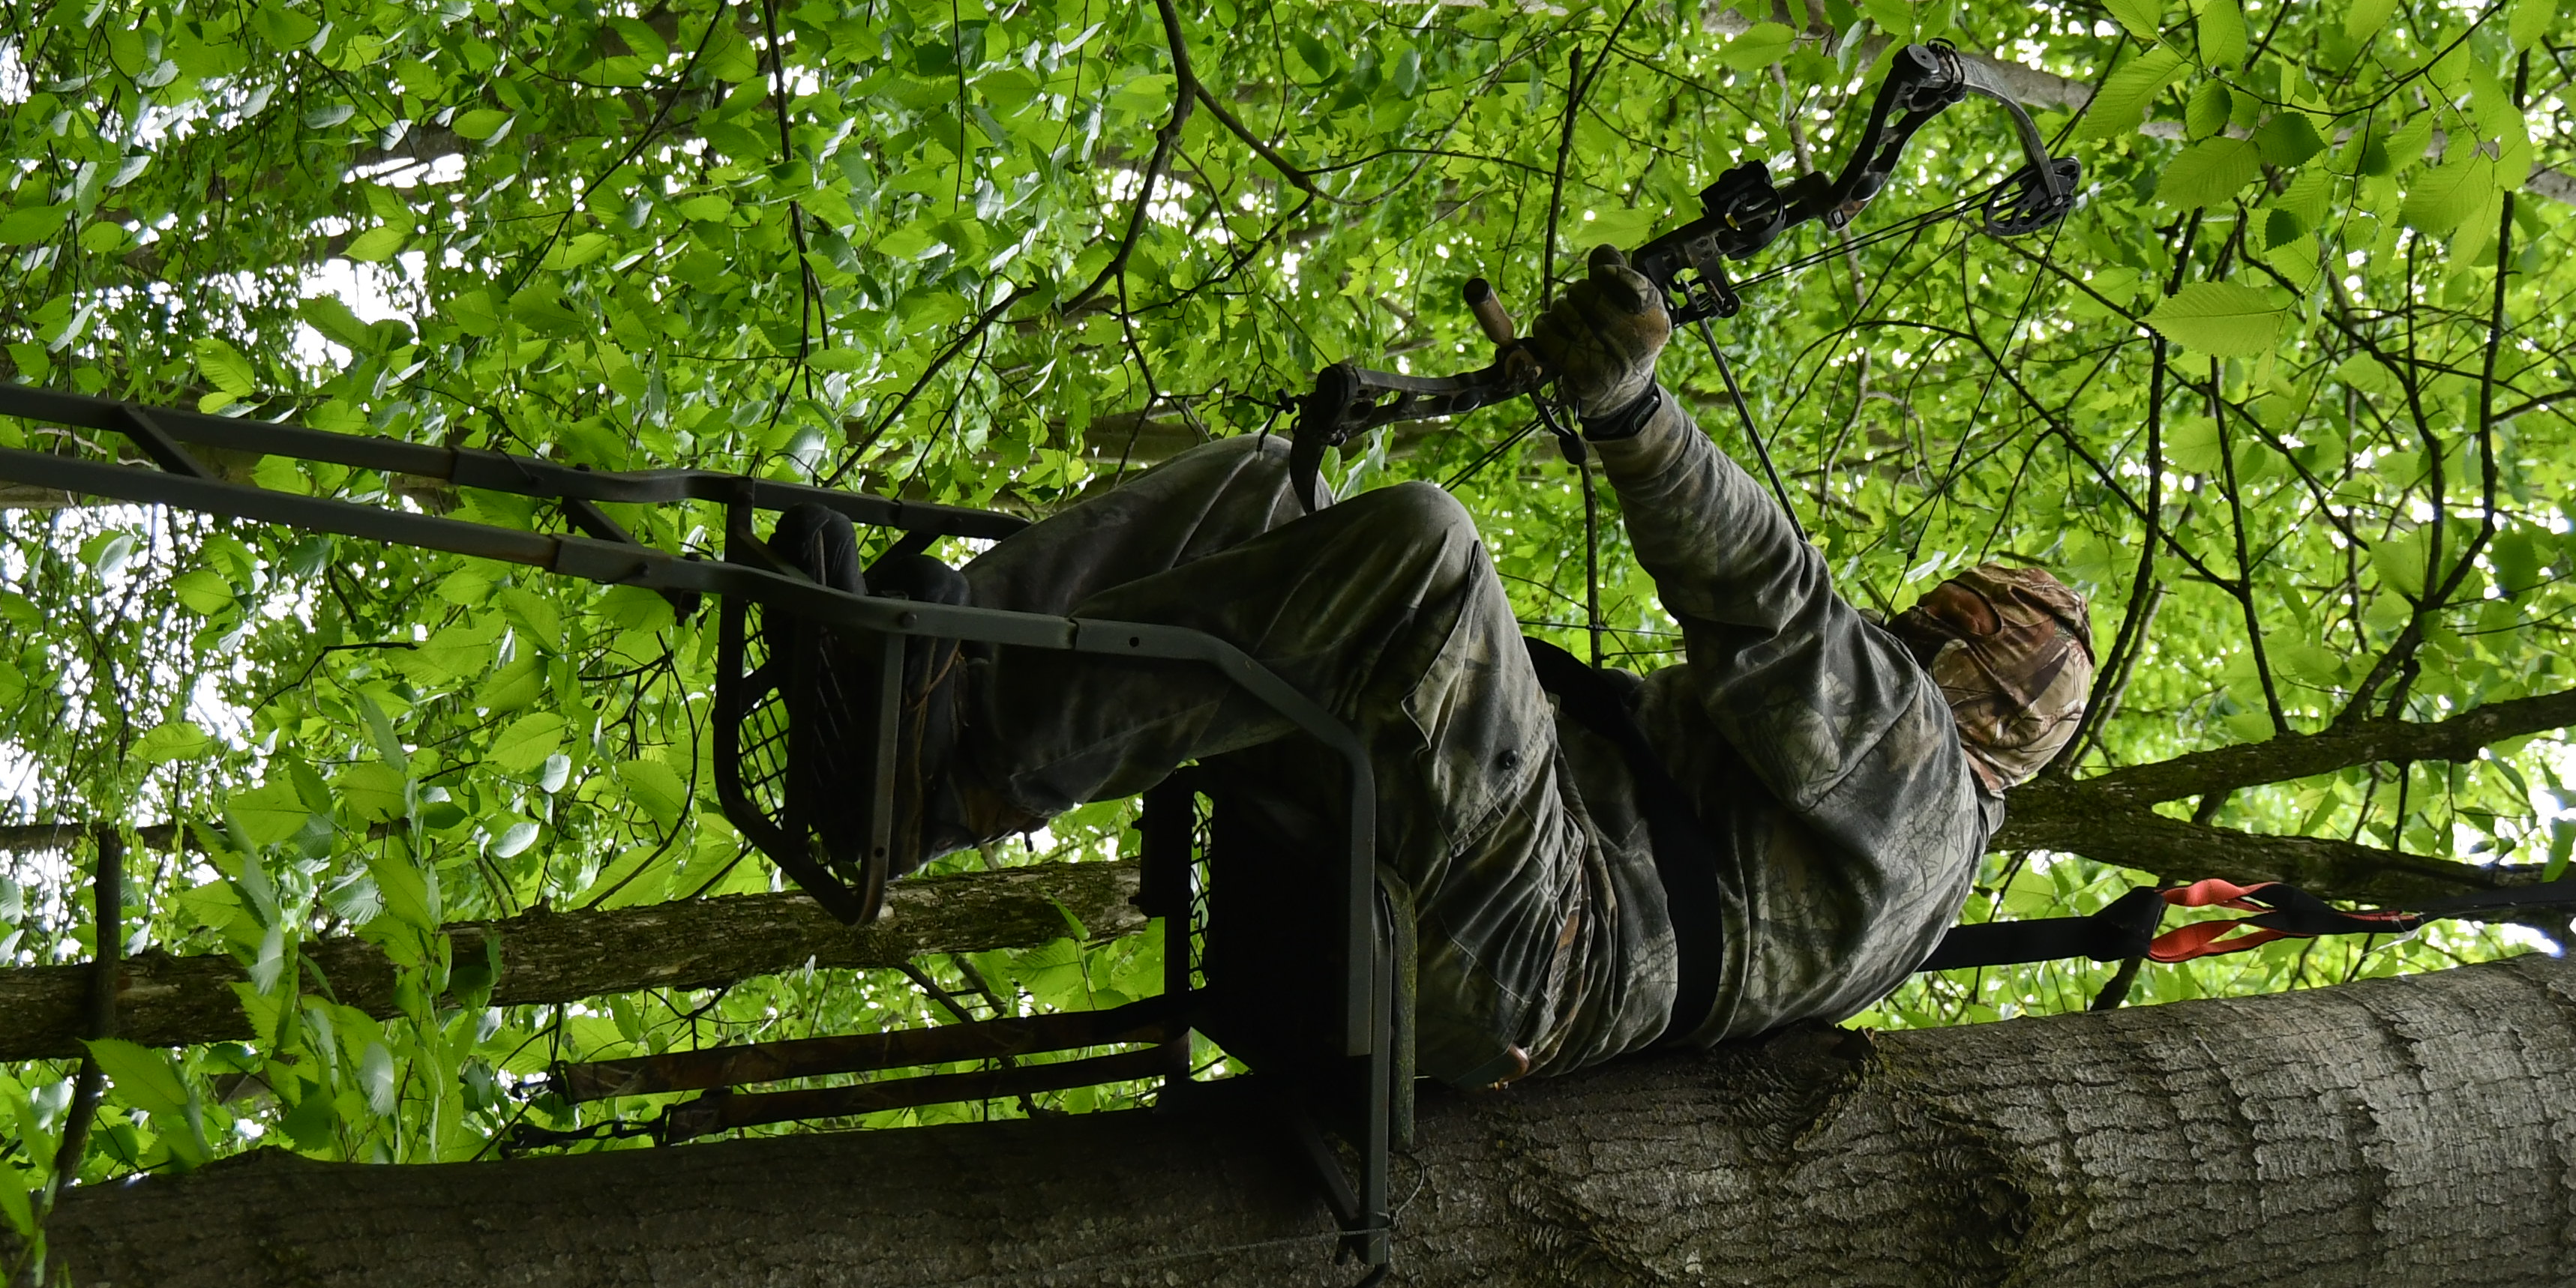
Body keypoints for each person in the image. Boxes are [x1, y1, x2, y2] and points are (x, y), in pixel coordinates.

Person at [775, 251, 2094, 1089]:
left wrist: (1635, 415)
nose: (1901, 642)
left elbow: (1770, 607)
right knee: (1261, 490)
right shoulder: (1890, 793)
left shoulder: (1927, 801)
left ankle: (939, 762)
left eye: (1934, 639)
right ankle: (930, 691)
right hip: (1500, 892)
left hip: (1535, 947)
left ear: (1981, 701)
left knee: (1424, 550)